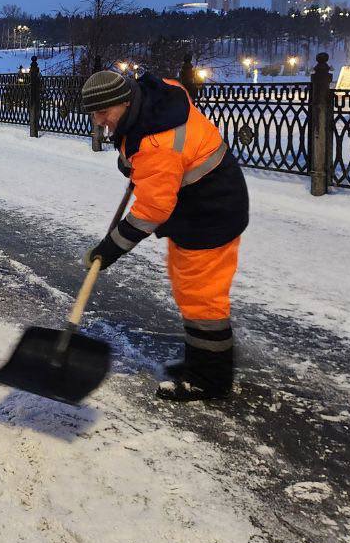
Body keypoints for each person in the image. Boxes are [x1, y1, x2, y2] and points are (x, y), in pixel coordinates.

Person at [80, 69, 249, 402]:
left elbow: (151, 211)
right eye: (93, 113)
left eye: (103, 112)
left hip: (211, 211)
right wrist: (131, 161)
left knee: (202, 297)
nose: (99, 121)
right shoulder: (154, 98)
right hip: (196, 207)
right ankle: (200, 363)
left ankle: (209, 380)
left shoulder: (157, 144)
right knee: (188, 288)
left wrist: (110, 248)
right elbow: (151, 152)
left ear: (124, 101)